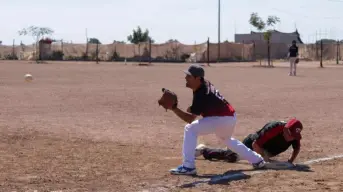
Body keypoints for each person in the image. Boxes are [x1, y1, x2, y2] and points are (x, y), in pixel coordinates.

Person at [168, 64, 266, 175]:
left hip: (221, 119)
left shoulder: (201, 92)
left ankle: (188, 166)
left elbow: (189, 119)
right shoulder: (203, 86)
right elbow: (201, 107)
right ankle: (257, 160)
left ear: (198, 78)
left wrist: (174, 109)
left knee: (190, 128)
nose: (186, 78)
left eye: (189, 76)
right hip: (229, 118)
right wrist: (192, 108)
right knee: (226, 139)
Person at [195, 118, 303, 164]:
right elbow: (255, 144)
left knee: (234, 155)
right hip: (253, 144)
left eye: (294, 136)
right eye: (290, 134)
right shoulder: (274, 128)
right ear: (285, 128)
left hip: (264, 150)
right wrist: (263, 159)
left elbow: (296, 148)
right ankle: (203, 150)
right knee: (231, 156)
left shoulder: (294, 136)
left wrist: (290, 161)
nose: (291, 138)